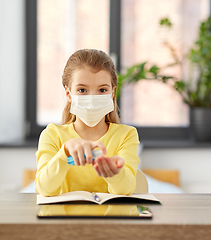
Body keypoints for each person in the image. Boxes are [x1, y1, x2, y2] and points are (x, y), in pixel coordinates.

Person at [35, 49, 140, 197]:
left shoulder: (126, 135)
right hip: (63, 219)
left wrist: (116, 173)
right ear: (68, 93)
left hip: (110, 219)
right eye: (82, 90)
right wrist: (64, 153)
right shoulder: (52, 135)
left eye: (102, 90)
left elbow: (125, 189)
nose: (92, 99)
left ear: (112, 93)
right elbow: (44, 189)